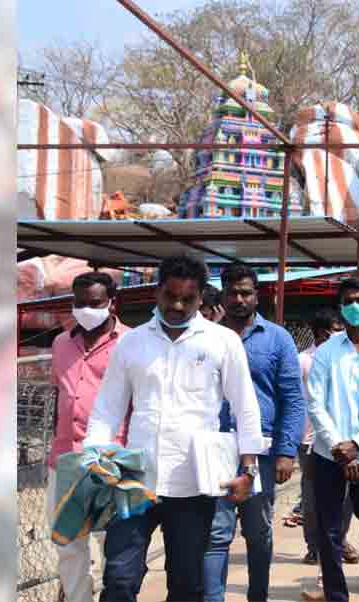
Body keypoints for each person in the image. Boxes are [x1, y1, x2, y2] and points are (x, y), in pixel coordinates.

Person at [86, 254, 266, 602]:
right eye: (171, 296)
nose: (178, 305)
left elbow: (245, 408)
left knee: (186, 586)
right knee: (119, 579)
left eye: (188, 298)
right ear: (158, 293)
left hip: (192, 485)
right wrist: (96, 461)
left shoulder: (221, 341)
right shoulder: (132, 343)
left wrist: (248, 468)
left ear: (202, 298)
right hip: (135, 481)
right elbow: (107, 410)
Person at [201, 264, 305, 602]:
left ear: (257, 294)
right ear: (223, 294)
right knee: (216, 532)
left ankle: (257, 595)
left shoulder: (277, 339)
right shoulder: (206, 336)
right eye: (232, 292)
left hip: (261, 450)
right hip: (216, 447)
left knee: (258, 531)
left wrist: (287, 451)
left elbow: (292, 397)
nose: (239, 299)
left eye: (245, 292)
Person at [306, 278, 359, 602]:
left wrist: (358, 445)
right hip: (329, 455)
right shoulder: (327, 351)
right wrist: (338, 447)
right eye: (348, 302)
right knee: (328, 532)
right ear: (340, 310)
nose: (354, 306)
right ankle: (336, 595)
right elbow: (315, 401)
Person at [47, 272, 130, 602]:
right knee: (68, 545)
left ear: (112, 302)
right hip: (65, 456)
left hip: (113, 457)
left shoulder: (131, 342)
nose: (85, 309)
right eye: (79, 303)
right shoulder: (60, 343)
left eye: (94, 303)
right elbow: (59, 394)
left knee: (116, 546)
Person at [296, 306, 357, 567]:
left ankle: (337, 541)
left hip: (345, 441)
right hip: (311, 440)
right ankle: (314, 546)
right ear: (323, 333)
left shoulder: (345, 357)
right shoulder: (304, 361)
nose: (342, 333)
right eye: (337, 329)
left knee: (346, 498)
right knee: (312, 496)